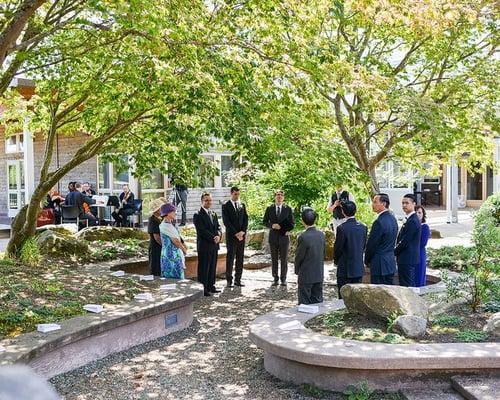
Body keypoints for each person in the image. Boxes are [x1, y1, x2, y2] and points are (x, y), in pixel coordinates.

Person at [334, 201, 368, 298]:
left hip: (345, 268)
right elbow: (363, 245)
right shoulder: (363, 227)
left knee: (343, 298)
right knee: (357, 297)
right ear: (355, 211)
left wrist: (336, 261)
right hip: (358, 267)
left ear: (343, 212)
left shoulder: (342, 228)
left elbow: (338, 248)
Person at [365, 193, 398, 285]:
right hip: (390, 263)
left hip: (379, 264)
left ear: (383, 204)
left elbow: (372, 244)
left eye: (375, 202)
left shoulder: (379, 222)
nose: (372, 204)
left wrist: (366, 260)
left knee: (377, 294)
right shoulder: (393, 219)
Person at [263, 189, 295, 286]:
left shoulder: (288, 209)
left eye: (281, 195)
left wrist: (288, 230)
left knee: (284, 259)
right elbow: (264, 222)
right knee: (274, 259)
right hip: (273, 237)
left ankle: (283, 279)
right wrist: (272, 225)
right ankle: (275, 278)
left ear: (283, 197)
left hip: (284, 237)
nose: (279, 196)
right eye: (277, 195)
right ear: (274, 197)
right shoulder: (269, 208)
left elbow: (292, 223)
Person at [193, 192, 222, 296]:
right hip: (204, 245)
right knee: (204, 267)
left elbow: (218, 227)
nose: (208, 202)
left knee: (212, 266)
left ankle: (211, 286)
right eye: (206, 200)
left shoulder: (213, 213)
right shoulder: (197, 214)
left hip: (214, 245)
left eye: (210, 200)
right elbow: (201, 230)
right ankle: (203, 288)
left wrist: (219, 235)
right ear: (202, 201)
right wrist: (213, 237)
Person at [294, 208, 325, 304]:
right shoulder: (321, 235)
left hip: (306, 274)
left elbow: (299, 256)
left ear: (302, 221)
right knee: (318, 302)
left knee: (304, 304)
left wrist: (296, 270)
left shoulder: (303, 237)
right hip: (318, 273)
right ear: (315, 220)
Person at [222, 186, 249, 287]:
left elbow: (246, 219)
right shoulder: (226, 205)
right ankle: (229, 280)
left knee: (240, 258)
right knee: (230, 258)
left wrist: (242, 231)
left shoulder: (242, 205)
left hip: (241, 236)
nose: (237, 196)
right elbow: (226, 222)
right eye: (235, 194)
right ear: (231, 193)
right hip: (231, 236)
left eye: (238, 194)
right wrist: (236, 233)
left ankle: (238, 279)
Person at [395, 194, 422, 287]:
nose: (404, 205)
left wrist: (394, 251)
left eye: (407, 203)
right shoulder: (410, 218)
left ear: (414, 204)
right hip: (406, 257)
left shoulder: (413, 220)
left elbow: (405, 241)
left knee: (406, 286)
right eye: (403, 203)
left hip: (407, 258)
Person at [159, 203, 188, 279]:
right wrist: (183, 249)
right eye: (173, 211)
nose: (175, 213)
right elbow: (176, 241)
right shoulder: (166, 225)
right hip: (171, 256)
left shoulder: (168, 224)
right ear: (167, 213)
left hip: (171, 254)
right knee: (174, 278)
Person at [148, 197, 166, 276]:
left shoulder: (161, 218)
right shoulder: (153, 220)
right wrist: (165, 246)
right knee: (156, 268)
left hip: (161, 248)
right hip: (156, 248)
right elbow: (157, 237)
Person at [415, 205, 430, 287]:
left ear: (423, 214)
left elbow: (423, 243)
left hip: (419, 254)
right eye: (416, 212)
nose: (418, 214)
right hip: (411, 255)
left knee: (419, 275)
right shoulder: (411, 225)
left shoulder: (424, 227)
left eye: (420, 212)